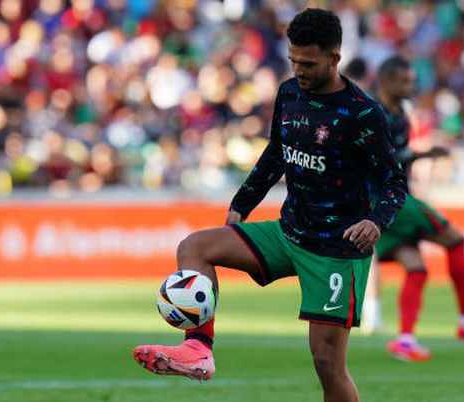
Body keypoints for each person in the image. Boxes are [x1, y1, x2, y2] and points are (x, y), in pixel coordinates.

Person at [132, 8, 407, 402]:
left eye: (308, 63)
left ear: (334, 58)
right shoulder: (289, 93)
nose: (298, 70)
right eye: (293, 60)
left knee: (328, 363)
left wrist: (377, 221)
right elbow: (278, 151)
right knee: (194, 247)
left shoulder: (363, 113)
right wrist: (243, 202)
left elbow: (395, 181)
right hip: (289, 231)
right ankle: (198, 350)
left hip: (336, 250)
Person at [365, 56, 464, 362]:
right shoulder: (375, 115)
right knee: (456, 239)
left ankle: (405, 340)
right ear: (386, 82)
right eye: (404, 80)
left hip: (383, 204)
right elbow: (374, 162)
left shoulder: (399, 113)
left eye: (412, 80)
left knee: (415, 267)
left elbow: (393, 157)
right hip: (392, 200)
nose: (411, 86)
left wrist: (423, 154)